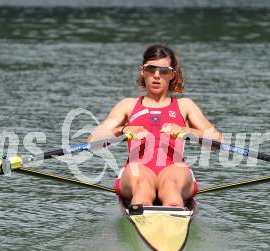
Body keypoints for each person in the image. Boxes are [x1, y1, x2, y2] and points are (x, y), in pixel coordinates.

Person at [88, 44, 221, 208]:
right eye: (151, 69)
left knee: (171, 184)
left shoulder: (185, 106)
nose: (157, 75)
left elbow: (217, 140)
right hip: (137, 170)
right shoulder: (127, 105)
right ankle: (145, 212)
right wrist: (123, 130)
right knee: (143, 184)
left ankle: (172, 212)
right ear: (143, 71)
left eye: (163, 71)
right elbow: (93, 140)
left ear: (172, 74)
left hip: (175, 169)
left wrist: (186, 130)